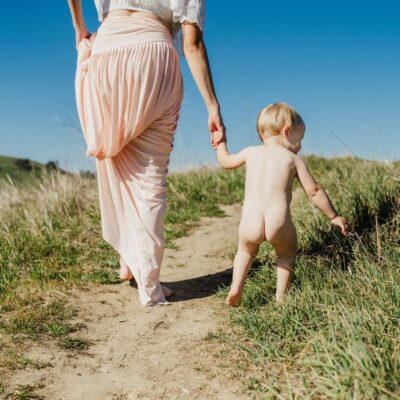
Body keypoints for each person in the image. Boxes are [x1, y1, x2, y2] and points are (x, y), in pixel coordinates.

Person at [67, 0, 225, 306]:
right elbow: (192, 47)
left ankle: (130, 260)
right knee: (151, 175)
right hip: (155, 54)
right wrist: (212, 107)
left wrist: (79, 27)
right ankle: (148, 283)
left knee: (116, 161)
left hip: (107, 51)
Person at [215, 102, 349, 306]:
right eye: (300, 138)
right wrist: (333, 216)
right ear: (287, 131)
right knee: (286, 254)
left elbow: (226, 161)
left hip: (250, 222)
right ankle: (281, 298)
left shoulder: (250, 152)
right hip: (279, 222)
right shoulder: (293, 159)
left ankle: (236, 288)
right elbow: (314, 191)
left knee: (245, 251)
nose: (300, 145)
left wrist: (220, 143)